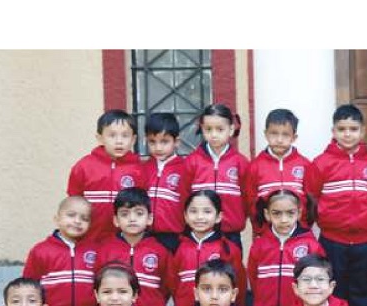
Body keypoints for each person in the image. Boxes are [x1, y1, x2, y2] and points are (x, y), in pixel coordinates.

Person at [305, 104, 367, 306]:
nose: (347, 134)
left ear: (363, 132)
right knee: (334, 289)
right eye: (342, 129)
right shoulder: (321, 163)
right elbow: (311, 199)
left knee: (363, 290)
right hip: (332, 241)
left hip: (365, 241)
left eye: (353, 129)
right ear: (333, 131)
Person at [246, 189, 320, 306]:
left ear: (299, 213)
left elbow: (318, 279)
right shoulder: (259, 245)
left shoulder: (310, 245)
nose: (284, 219)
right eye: (277, 214)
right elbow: (253, 278)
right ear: (267, 214)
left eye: (290, 213)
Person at [94, 187, 173, 306]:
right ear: (116, 220)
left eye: (139, 213)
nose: (132, 219)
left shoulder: (160, 251)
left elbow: (167, 288)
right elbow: (97, 284)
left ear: (149, 219)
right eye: (125, 214)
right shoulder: (105, 250)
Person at [22, 195, 97, 306]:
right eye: (71, 215)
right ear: (57, 219)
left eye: (84, 218)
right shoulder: (41, 251)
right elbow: (28, 287)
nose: (77, 221)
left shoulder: (94, 251)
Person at [66, 109, 142, 242]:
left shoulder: (139, 169)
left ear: (133, 139)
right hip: (89, 240)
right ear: (100, 138)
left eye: (125, 136)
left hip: (125, 242)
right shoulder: (83, 166)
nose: (119, 141)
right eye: (112, 135)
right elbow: (74, 203)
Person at [171, 190, 245, 306]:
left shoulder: (228, 249)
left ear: (218, 217)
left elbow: (239, 283)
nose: (200, 217)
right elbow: (172, 283)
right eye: (193, 211)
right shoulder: (178, 248)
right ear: (185, 216)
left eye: (207, 211)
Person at [186, 103, 249, 247]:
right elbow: (185, 196)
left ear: (231, 129)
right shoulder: (192, 161)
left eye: (220, 129)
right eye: (208, 129)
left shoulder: (241, 162)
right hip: (199, 233)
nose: (214, 135)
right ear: (202, 129)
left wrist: (237, 219)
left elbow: (247, 199)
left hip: (231, 234)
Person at [243, 108, 311, 239]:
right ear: (266, 134)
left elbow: (311, 201)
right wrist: (259, 230)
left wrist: (304, 227)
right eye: (274, 133)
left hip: (298, 235)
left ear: (294, 137)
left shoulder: (305, 165)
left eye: (285, 134)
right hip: (266, 236)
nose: (279, 140)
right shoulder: (255, 166)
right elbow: (250, 203)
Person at [141, 111, 188, 253]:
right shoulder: (143, 168)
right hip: (145, 235)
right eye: (152, 142)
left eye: (164, 141)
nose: (158, 148)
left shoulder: (185, 169)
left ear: (176, 142)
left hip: (174, 237)